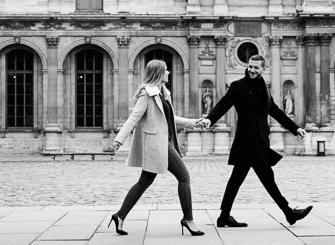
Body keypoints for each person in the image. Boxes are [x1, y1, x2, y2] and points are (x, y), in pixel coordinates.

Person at [197, 55, 312, 228]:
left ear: (263, 69)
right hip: (247, 140)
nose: (251, 70)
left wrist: (295, 128)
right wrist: (209, 119)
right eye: (250, 66)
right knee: (265, 178)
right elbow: (223, 104)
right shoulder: (238, 86)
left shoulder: (264, 88)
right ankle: (289, 213)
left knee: (238, 179)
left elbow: (275, 111)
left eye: (256, 68)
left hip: (260, 138)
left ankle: (224, 216)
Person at [110, 60, 204, 237]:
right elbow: (134, 117)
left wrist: (193, 123)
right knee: (184, 177)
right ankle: (188, 220)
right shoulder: (147, 94)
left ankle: (120, 215)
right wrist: (119, 139)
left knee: (144, 182)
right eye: (166, 70)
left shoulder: (162, 94)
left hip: (162, 143)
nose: (169, 72)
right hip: (158, 144)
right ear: (159, 73)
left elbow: (171, 118)